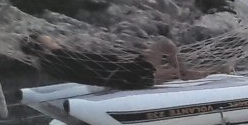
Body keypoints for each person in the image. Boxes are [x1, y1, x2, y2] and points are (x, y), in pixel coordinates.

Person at [22, 34, 219, 90]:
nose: (55, 41)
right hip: (129, 71)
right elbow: (47, 40)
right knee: (165, 45)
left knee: (169, 72)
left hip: (121, 80)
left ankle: (206, 72)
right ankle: (187, 72)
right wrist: (36, 36)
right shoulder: (61, 56)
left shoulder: (48, 66)